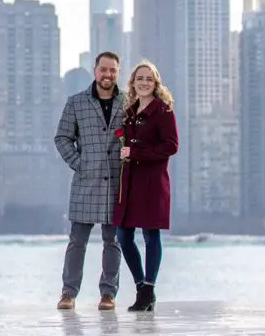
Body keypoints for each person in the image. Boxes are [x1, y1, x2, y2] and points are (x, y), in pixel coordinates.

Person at [53, 51, 125, 310]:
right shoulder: (76, 102)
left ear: (118, 72)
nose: (107, 74)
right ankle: (68, 293)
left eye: (112, 70)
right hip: (86, 182)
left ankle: (108, 294)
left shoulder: (128, 102)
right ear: (95, 70)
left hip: (116, 183)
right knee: (77, 241)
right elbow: (62, 138)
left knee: (113, 241)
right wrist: (79, 163)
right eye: (103, 69)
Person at [113, 60, 179, 312]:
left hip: (152, 181)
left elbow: (171, 145)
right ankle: (141, 286)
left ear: (156, 83)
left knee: (151, 235)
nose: (144, 82)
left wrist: (137, 152)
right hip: (129, 182)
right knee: (123, 235)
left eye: (149, 79)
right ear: (132, 82)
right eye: (139, 78)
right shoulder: (129, 111)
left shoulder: (163, 110)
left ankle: (148, 288)